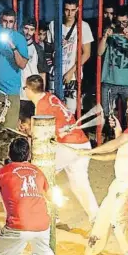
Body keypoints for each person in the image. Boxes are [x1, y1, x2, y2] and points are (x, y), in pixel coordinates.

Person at [79, 93, 128, 255]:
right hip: (123, 178)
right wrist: (117, 128)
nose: (127, 111)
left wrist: (91, 151)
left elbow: (116, 144)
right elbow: (126, 142)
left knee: (117, 219)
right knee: (104, 215)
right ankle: (92, 253)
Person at [24, 75, 99, 224]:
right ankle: (96, 218)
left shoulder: (42, 106)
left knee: (42, 172)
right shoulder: (50, 97)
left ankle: (51, 213)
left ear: (29, 90)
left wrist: (29, 132)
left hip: (68, 146)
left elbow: (42, 137)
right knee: (80, 184)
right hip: (82, 143)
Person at [98, 6, 128, 134]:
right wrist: (105, 37)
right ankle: (111, 136)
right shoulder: (109, 30)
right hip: (109, 79)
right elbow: (99, 52)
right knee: (107, 113)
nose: (121, 25)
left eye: (124, 22)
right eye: (119, 22)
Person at [47, 0, 94, 114]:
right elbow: (48, 49)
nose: (69, 13)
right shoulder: (53, 25)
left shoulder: (83, 26)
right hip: (55, 73)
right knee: (54, 108)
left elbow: (87, 53)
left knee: (70, 111)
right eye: (67, 10)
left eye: (73, 10)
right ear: (63, 9)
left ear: (77, 9)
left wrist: (71, 71)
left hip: (73, 74)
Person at [0, 8, 28, 129]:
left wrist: (13, 47)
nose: (7, 24)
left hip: (11, 92)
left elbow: (22, 64)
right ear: (1, 21)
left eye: (11, 22)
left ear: (14, 23)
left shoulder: (19, 39)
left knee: (9, 131)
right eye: (5, 21)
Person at [20, 17, 48, 116]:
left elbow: (42, 72)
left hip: (32, 94)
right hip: (17, 93)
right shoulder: (14, 47)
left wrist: (42, 94)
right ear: (21, 28)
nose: (28, 32)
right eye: (26, 28)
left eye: (31, 30)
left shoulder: (38, 49)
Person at [37, 21, 54, 92]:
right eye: (39, 34)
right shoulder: (31, 45)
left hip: (47, 74)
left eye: (44, 34)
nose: (41, 37)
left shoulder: (49, 46)